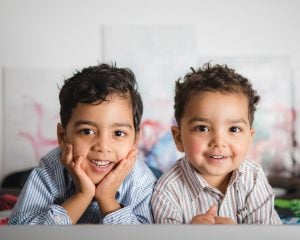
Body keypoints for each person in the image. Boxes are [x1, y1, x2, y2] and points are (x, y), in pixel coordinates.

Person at [9, 63, 156, 224]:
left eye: (118, 133)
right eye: (87, 131)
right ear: (63, 137)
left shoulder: (141, 180)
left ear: (135, 140)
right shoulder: (49, 172)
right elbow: (21, 231)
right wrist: (82, 195)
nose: (103, 146)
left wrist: (107, 199)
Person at [151, 63, 281, 224]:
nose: (219, 142)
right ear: (178, 138)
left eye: (234, 129)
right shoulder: (167, 192)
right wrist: (189, 235)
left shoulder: (253, 178)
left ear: (249, 139)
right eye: (203, 128)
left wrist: (237, 237)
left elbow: (267, 235)